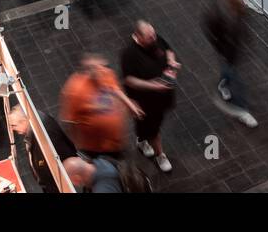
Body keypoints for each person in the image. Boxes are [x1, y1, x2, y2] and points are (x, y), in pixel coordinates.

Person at [121, 21, 181, 173]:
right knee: (153, 129)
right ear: (138, 37)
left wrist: (171, 60)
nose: (154, 38)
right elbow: (129, 80)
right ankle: (160, 155)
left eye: (153, 34)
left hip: (162, 97)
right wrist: (154, 85)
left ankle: (141, 140)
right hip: (145, 100)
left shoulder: (155, 39)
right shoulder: (129, 54)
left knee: (149, 125)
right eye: (149, 37)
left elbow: (168, 49)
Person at [58, 55, 139, 158]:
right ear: (86, 72)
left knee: (119, 160)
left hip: (115, 142)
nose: (102, 70)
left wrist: (130, 105)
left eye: (103, 66)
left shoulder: (106, 74)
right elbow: (69, 121)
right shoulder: (75, 90)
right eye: (96, 68)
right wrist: (75, 145)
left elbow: (115, 89)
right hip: (92, 147)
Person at [203, 0, 258, 127]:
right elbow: (211, 32)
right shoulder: (216, 14)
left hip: (234, 51)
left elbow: (242, 28)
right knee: (238, 82)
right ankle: (242, 111)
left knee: (229, 72)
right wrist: (221, 50)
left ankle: (223, 84)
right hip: (226, 53)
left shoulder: (238, 10)